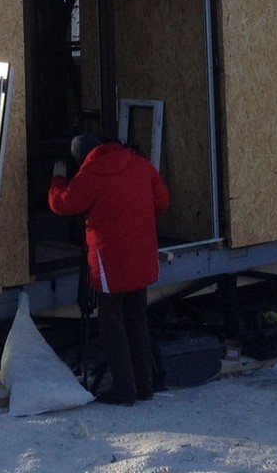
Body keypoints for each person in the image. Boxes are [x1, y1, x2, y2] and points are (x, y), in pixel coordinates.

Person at [49, 133, 170, 405]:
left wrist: (57, 179)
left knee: (111, 323)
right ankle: (144, 385)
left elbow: (62, 203)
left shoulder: (91, 175)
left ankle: (124, 389)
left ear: (82, 158)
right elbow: (162, 201)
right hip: (141, 256)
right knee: (137, 319)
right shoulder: (139, 163)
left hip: (111, 264)